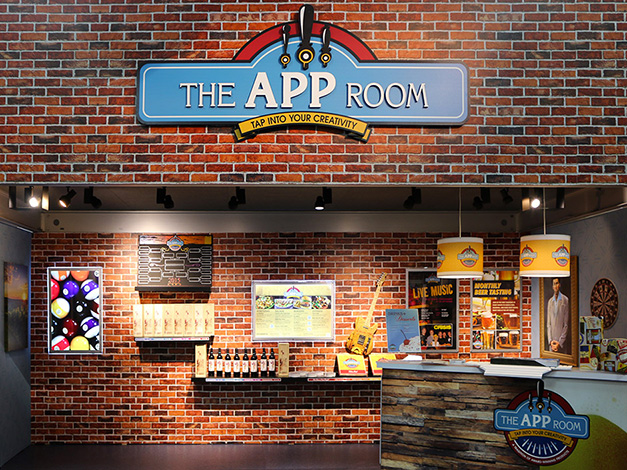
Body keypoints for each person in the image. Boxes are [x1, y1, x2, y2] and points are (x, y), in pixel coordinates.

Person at [546, 277, 570, 353]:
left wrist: (560, 342)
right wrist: (550, 341)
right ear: (552, 286)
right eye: (554, 284)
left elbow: (566, 324)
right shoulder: (550, 302)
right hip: (552, 344)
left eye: (557, 283)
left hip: (562, 343)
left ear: (559, 285)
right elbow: (548, 324)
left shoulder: (565, 300)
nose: (555, 286)